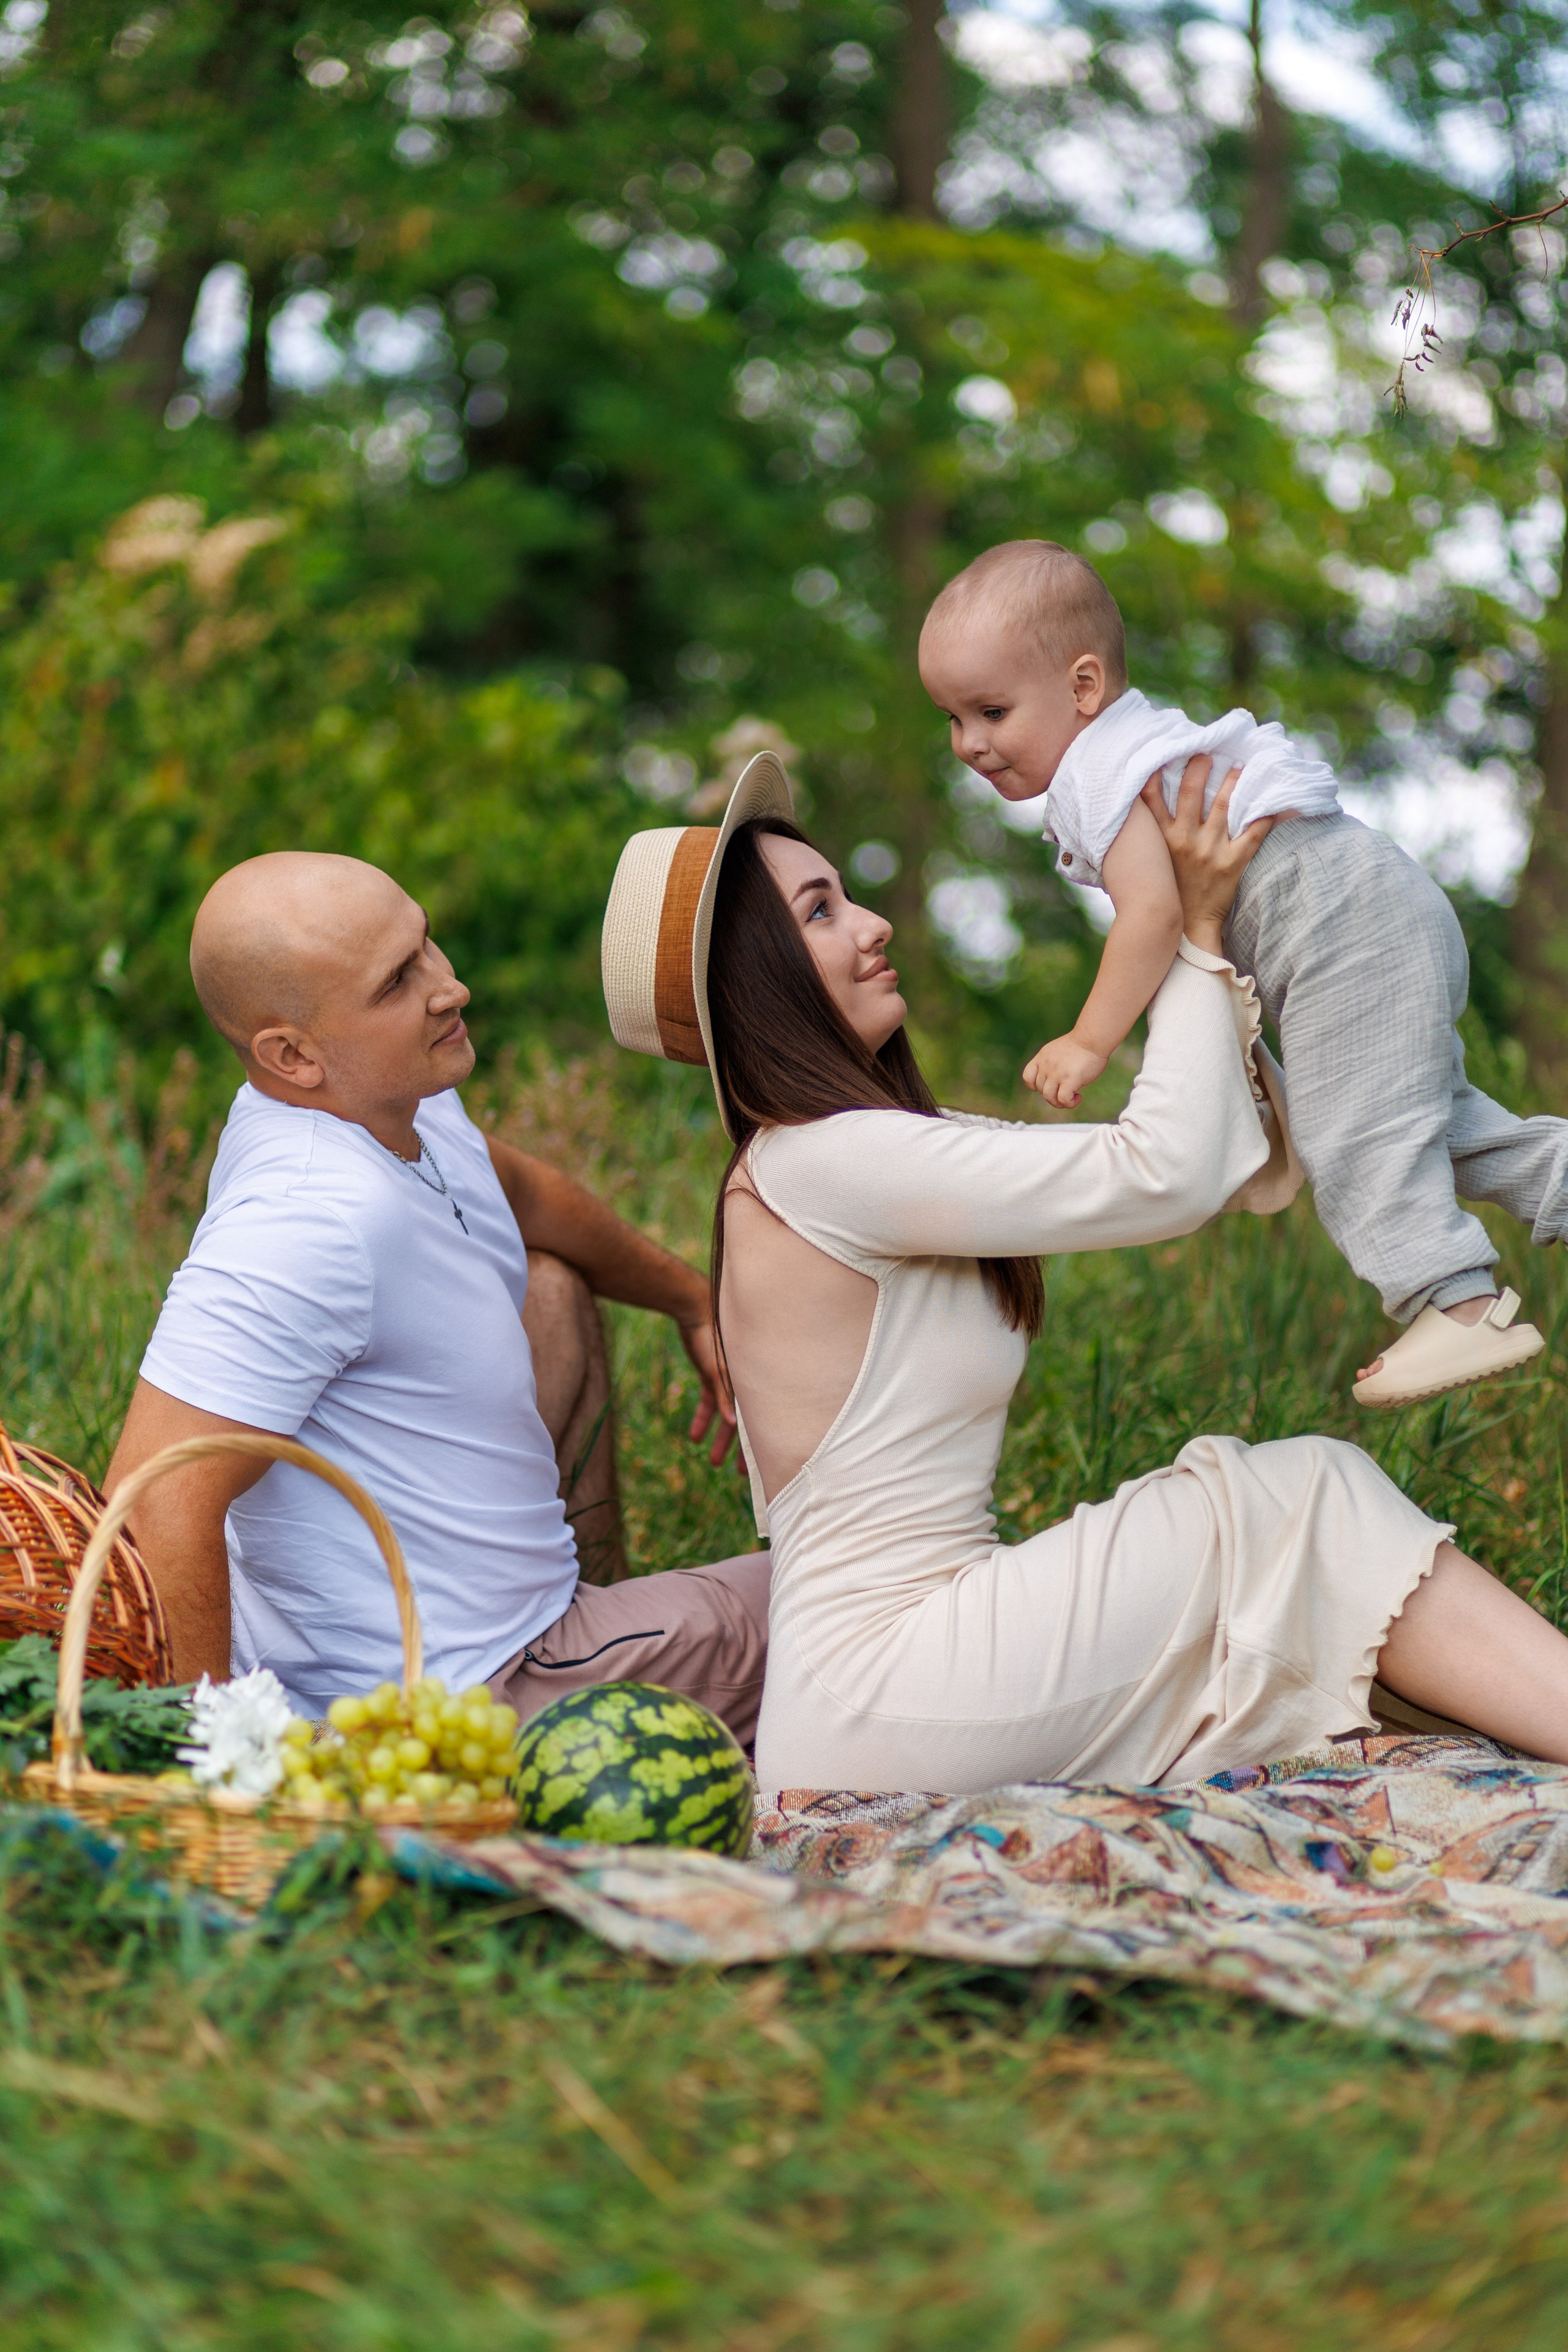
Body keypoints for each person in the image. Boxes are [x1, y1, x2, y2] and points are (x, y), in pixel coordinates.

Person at [601, 750, 1568, 1796]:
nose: (874, 924)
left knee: (1288, 1508)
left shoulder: (849, 1154)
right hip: (885, 1687)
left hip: (918, 1667)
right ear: (756, 977)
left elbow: (1242, 1167)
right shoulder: (822, 1164)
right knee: (1298, 1498)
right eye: (822, 911)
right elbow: (1166, 1172)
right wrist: (1186, 928)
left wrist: (1341, 1034)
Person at [105, 850, 769, 1739]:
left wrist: (693, 1300)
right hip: (452, 1697)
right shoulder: (305, 1216)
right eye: (396, 983)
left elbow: (520, 1194)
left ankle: (604, 1613)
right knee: (871, 1593)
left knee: (550, 1292)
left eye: (425, 944)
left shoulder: (388, 1096)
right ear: (293, 1054)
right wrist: (228, 1765)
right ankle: (590, 1711)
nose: (449, 987)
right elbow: (153, 1497)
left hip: (474, 1621)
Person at [916, 537, 1568, 1411]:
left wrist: (1090, 1039)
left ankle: (1458, 1302)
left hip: (1339, 928)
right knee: (1431, 1129)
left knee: (1354, 1137)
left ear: (1083, 686)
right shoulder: (1128, 746)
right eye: (953, 719)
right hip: (1374, 900)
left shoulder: (1094, 771)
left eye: (992, 712)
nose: (970, 744)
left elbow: (1154, 916)